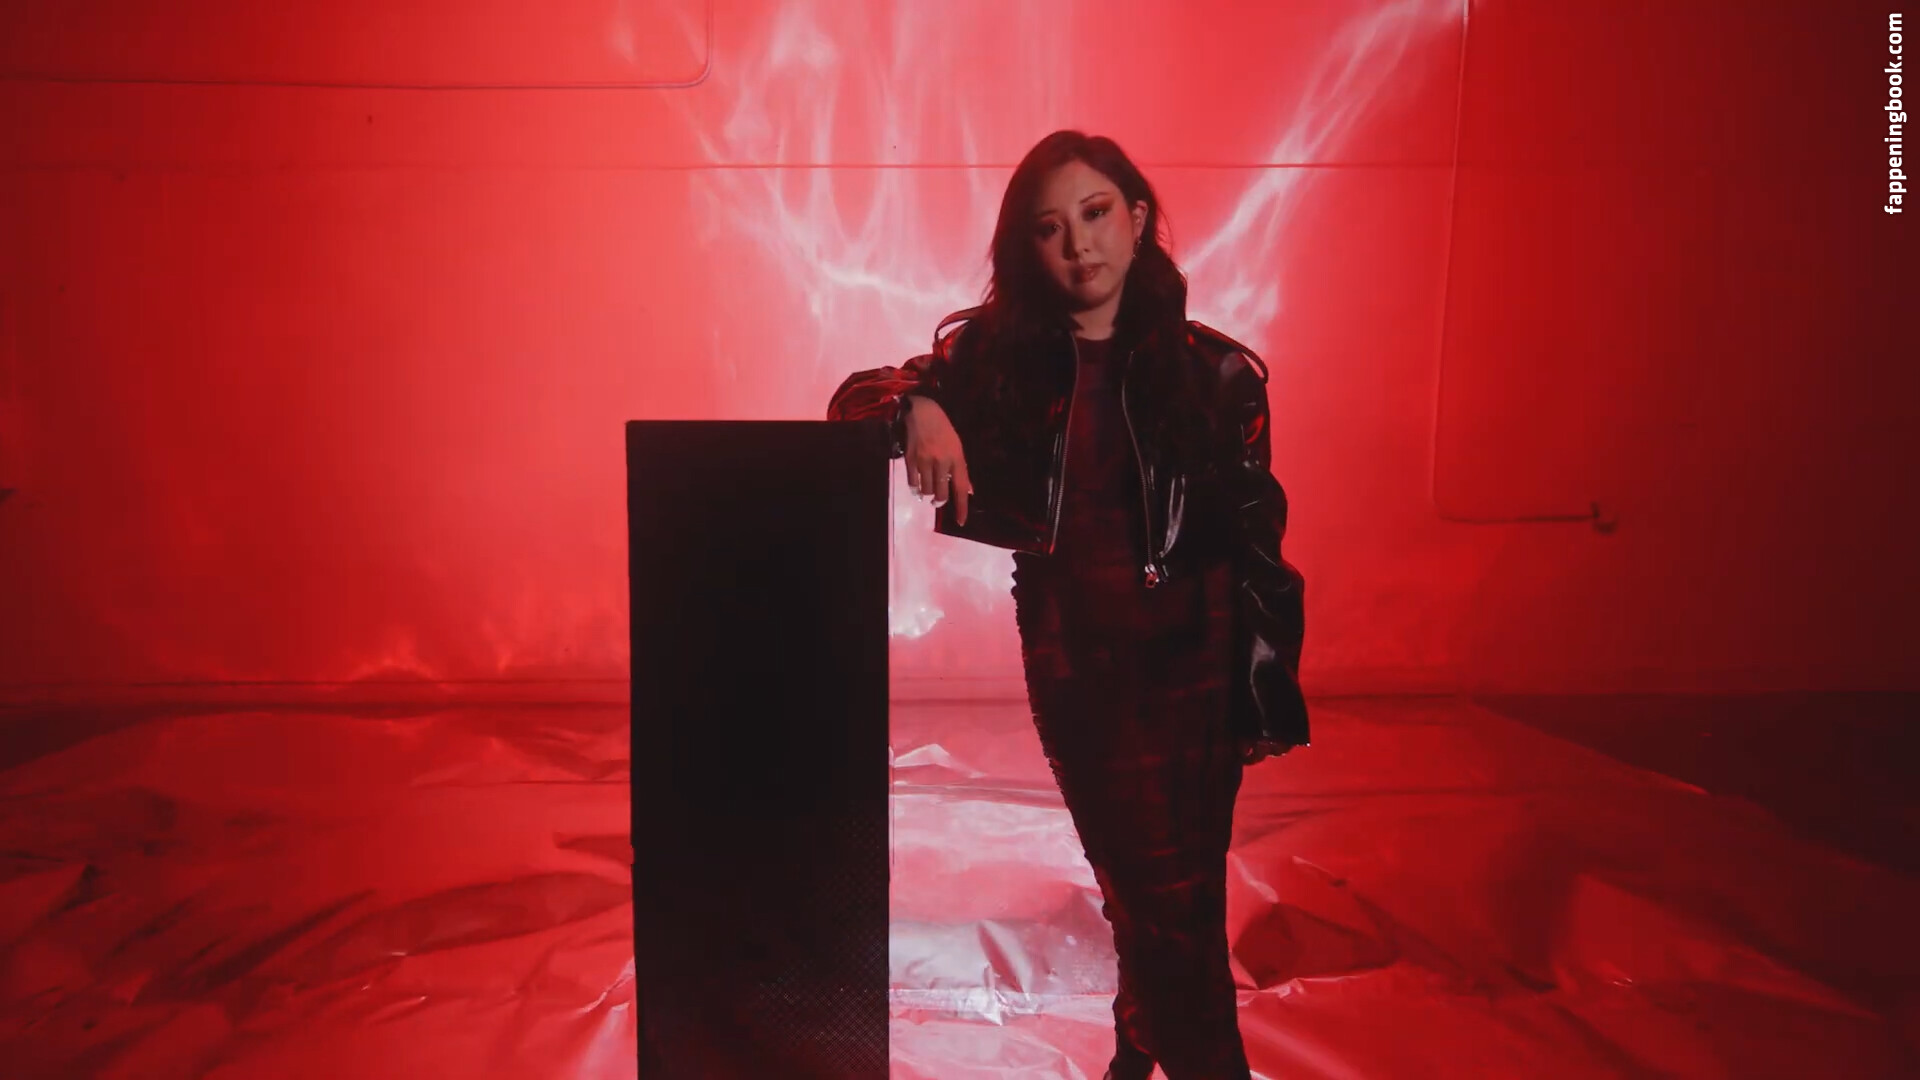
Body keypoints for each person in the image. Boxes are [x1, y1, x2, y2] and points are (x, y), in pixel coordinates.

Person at [828, 130, 1308, 1080]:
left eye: (1096, 215)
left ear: (1136, 218)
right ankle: (1182, 1056)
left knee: (1175, 901)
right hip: (1074, 652)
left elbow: (1260, 546)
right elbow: (851, 401)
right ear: (1029, 248)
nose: (1079, 245)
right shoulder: (999, 360)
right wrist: (918, 408)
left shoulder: (1218, 374)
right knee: (1144, 884)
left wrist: (1263, 690)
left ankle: (1139, 1053)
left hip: (1198, 654)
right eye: (1050, 229)